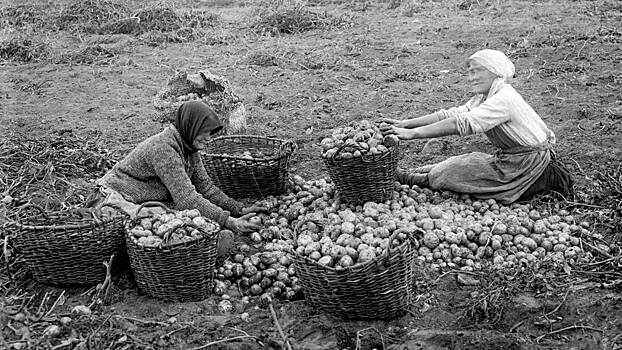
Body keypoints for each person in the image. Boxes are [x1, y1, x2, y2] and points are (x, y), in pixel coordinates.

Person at [380, 49, 573, 204]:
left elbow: (463, 123)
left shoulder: (504, 97)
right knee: (463, 160)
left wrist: (412, 134)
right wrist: (406, 123)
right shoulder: (486, 96)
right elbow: (453, 114)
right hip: (514, 159)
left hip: (529, 167)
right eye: (469, 72)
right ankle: (415, 171)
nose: (471, 77)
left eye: (476, 71)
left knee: (451, 173)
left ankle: (411, 179)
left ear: (495, 71)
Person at [87, 101, 263, 236]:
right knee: (164, 220)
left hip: (138, 199)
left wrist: (237, 208)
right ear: (191, 126)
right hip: (111, 198)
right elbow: (186, 198)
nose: (209, 138)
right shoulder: (164, 148)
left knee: (179, 215)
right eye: (205, 132)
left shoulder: (189, 147)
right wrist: (230, 222)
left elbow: (205, 187)